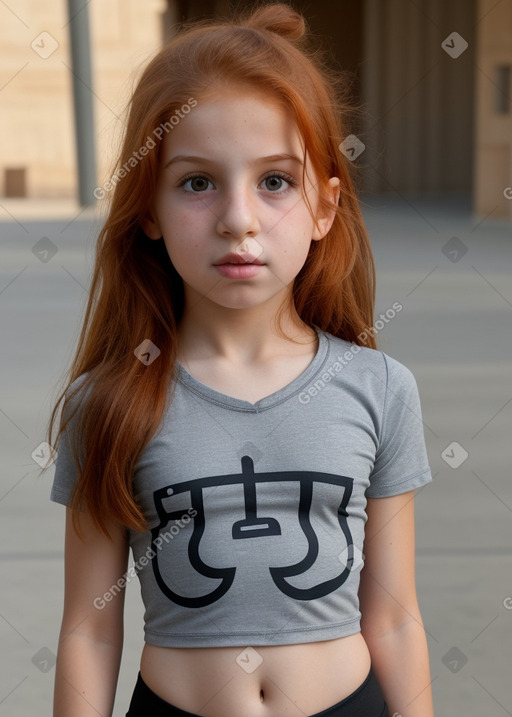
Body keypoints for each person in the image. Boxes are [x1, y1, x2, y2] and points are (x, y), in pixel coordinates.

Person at [46, 3, 435, 716]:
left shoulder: (379, 388)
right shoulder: (108, 402)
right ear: (149, 210)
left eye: (275, 181)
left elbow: (396, 616)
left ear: (324, 206)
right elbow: (90, 630)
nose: (238, 218)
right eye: (197, 182)